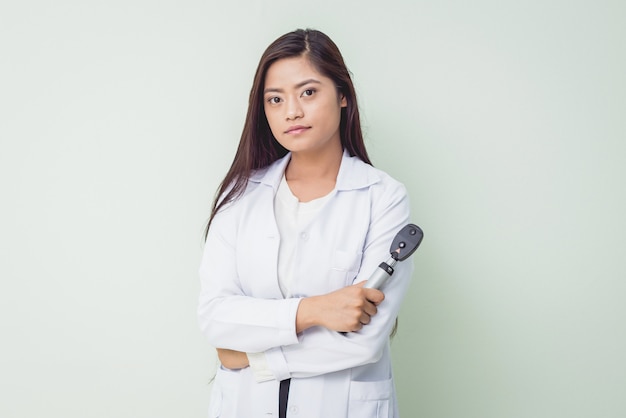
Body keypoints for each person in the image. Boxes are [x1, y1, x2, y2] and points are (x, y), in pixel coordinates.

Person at [198, 28, 414, 418]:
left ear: (343, 94)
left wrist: (254, 356)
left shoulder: (383, 197)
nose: (291, 111)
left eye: (308, 92)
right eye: (275, 99)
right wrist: (313, 311)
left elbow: (362, 342)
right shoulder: (240, 196)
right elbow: (216, 317)